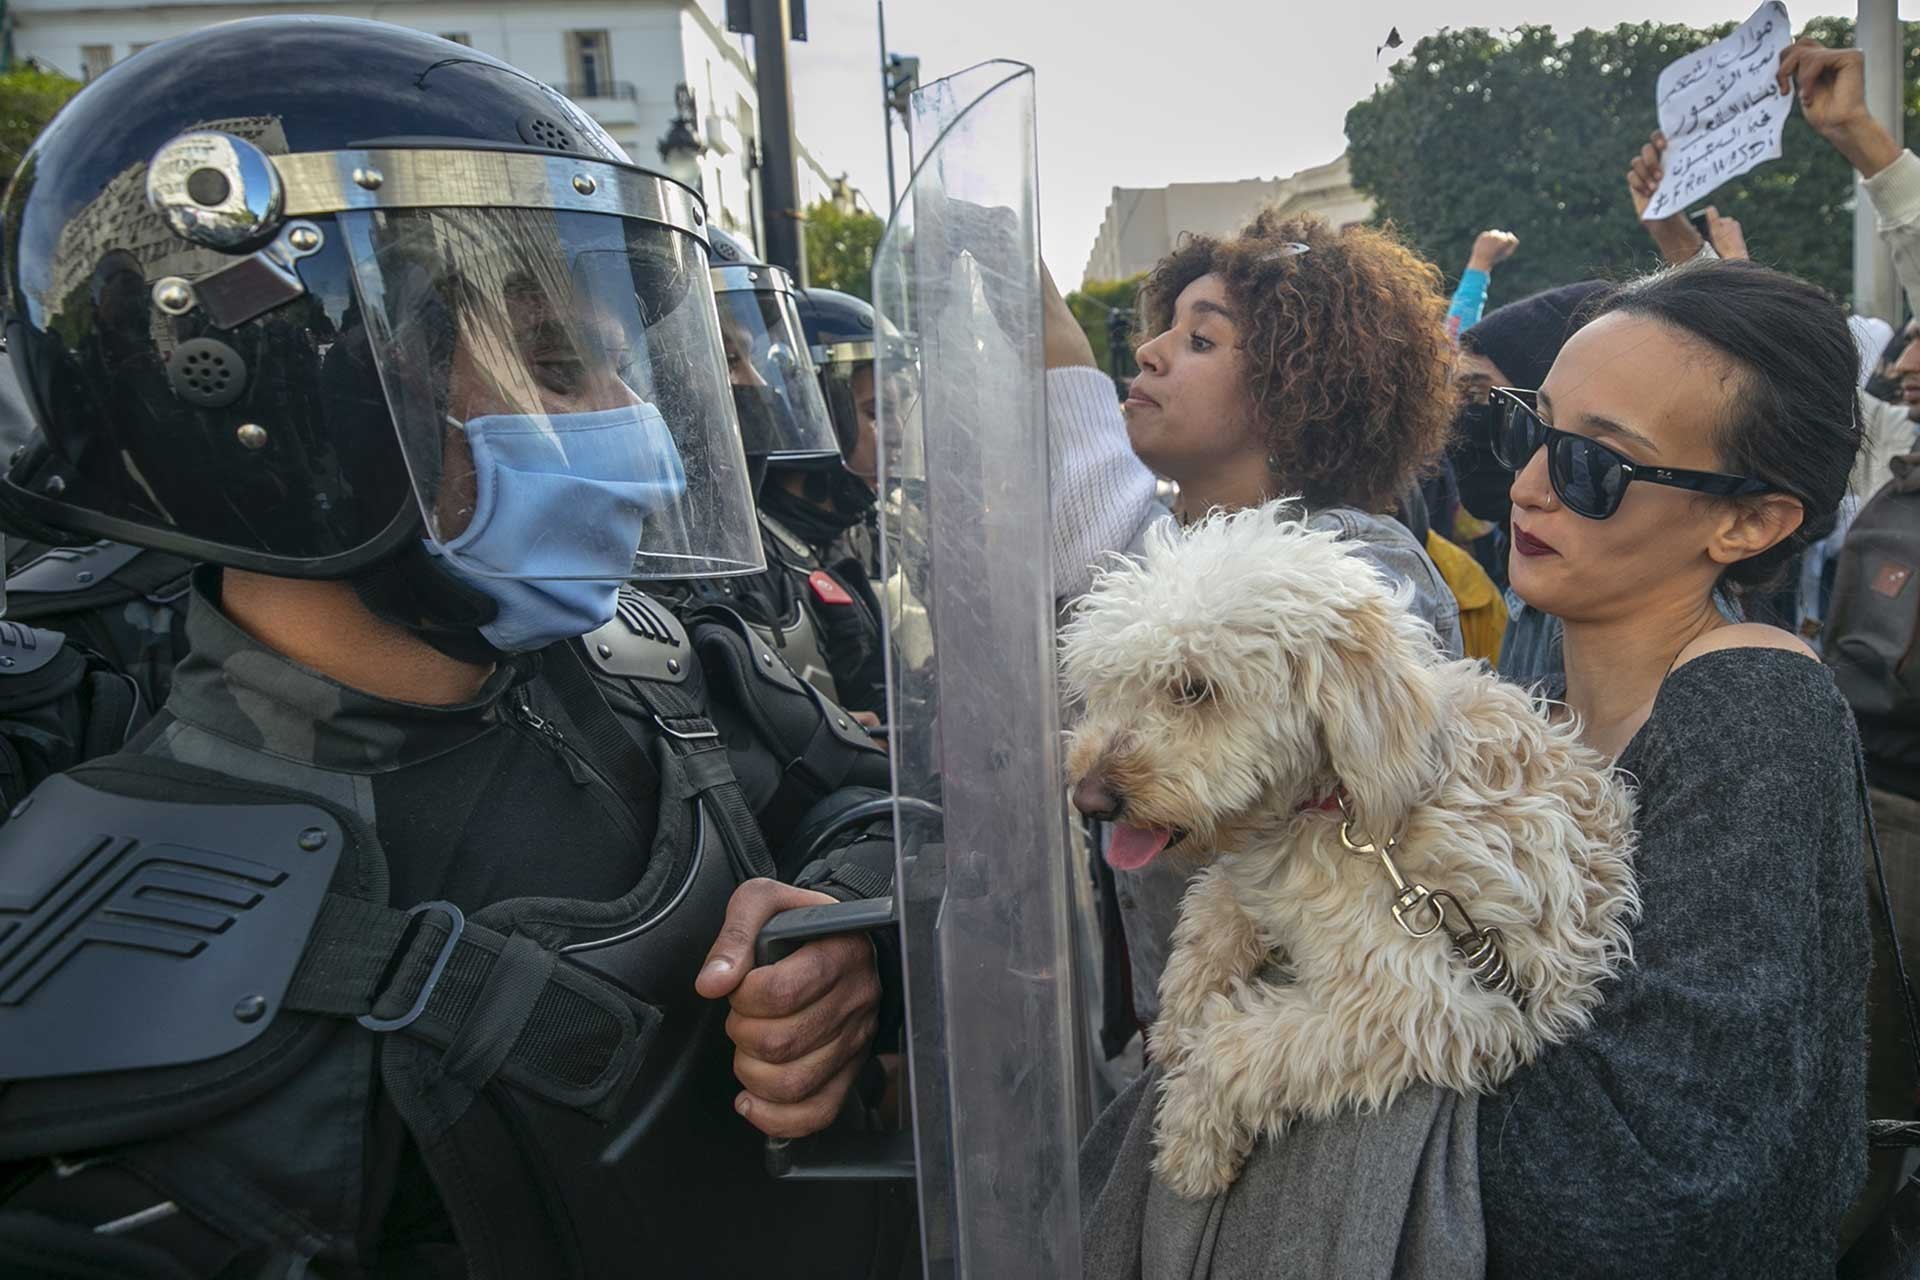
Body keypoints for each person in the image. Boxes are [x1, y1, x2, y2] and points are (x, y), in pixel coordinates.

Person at [0, 20, 910, 1277]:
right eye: (555, 361)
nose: (636, 426)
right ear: (300, 401)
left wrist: (853, 935)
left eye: (623, 360)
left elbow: (894, 805)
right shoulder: (125, 960)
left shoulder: (652, 665)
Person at [1478, 258, 1869, 1274]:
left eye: (1593, 465)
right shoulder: (1534, 710)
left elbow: (1654, 1179)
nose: (1526, 484)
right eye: (1529, 427)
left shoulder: (1751, 713)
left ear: (1748, 522)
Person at [1057, 208, 1461, 1047]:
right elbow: (1081, 469)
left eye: (1202, 341)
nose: (1150, 352)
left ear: (1297, 392)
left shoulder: (1354, 569)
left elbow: (1385, 807)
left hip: (1329, 1050)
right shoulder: (1170, 550)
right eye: (1163, 329)